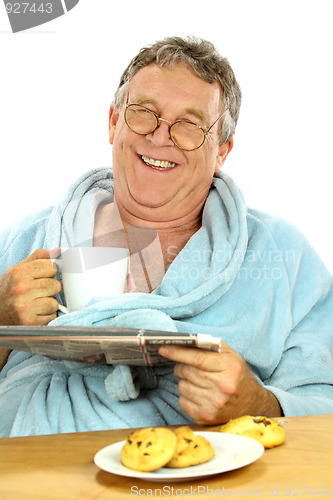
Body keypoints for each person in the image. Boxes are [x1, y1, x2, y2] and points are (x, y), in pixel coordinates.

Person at [0, 36, 332, 438]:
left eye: (190, 125)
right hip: (32, 475)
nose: (160, 136)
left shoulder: (281, 256)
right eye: (144, 112)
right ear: (112, 121)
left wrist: (259, 405)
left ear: (222, 151)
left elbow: (324, 403)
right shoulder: (26, 243)